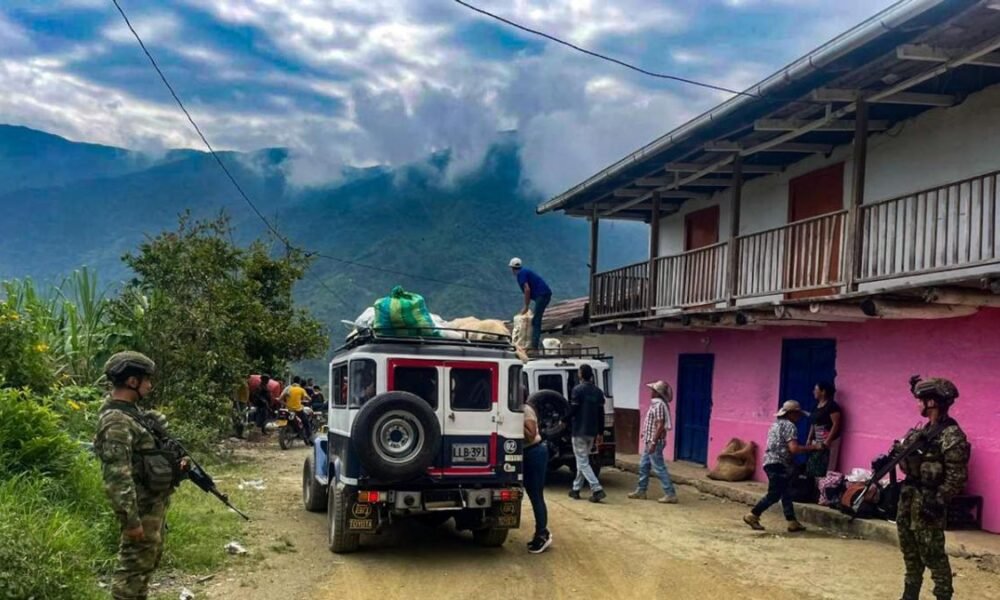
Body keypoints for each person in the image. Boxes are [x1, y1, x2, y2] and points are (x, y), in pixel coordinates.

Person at [94, 351, 187, 600]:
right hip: (140, 509)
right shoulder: (116, 421)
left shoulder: (133, 413)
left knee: (144, 567)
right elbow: (117, 476)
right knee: (130, 575)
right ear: (132, 381)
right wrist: (131, 520)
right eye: (146, 379)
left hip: (152, 507)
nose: (150, 384)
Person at [896, 377, 969, 600]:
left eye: (921, 400)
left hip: (929, 502)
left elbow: (957, 476)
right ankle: (910, 594)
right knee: (910, 551)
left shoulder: (951, 435)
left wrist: (938, 500)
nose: (917, 404)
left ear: (932, 403)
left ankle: (943, 596)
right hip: (909, 497)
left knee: (934, 556)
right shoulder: (924, 431)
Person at [743, 400, 822, 532]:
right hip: (778, 464)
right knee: (774, 494)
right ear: (791, 414)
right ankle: (753, 514)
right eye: (797, 414)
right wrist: (814, 447)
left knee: (786, 492)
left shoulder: (775, 425)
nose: (799, 417)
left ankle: (792, 521)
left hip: (770, 462)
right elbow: (794, 449)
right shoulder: (790, 426)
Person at [627, 380, 679, 504]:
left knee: (659, 467)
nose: (651, 392)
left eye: (653, 390)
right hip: (649, 440)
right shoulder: (657, 404)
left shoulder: (659, 405)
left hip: (653, 441)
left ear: (657, 393)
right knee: (644, 466)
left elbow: (660, 424)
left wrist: (654, 442)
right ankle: (641, 490)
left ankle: (670, 493)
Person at [566, 364, 606, 503]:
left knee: (583, 462)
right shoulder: (598, 392)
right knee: (582, 461)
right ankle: (575, 489)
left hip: (579, 431)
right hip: (592, 432)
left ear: (581, 374)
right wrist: (601, 433)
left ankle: (597, 489)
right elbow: (601, 414)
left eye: (579, 372)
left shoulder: (577, 390)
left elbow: (574, 409)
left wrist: (563, 420)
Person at [522, 394, 552, 554]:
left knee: (536, 494)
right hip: (528, 453)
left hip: (534, 452)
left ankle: (542, 533)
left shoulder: (525, 410)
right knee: (530, 491)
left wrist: (515, 419)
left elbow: (531, 435)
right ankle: (540, 532)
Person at [509, 257, 552, 350]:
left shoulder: (521, 274)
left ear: (512, 268)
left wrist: (526, 306)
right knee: (536, 320)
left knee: (536, 321)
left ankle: (534, 347)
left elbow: (527, 289)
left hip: (542, 295)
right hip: (544, 294)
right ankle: (535, 344)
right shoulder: (524, 272)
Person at [806, 381, 842, 478]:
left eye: (816, 390)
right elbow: (813, 423)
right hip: (817, 439)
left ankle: (825, 486)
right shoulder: (816, 406)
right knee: (815, 463)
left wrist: (828, 441)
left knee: (828, 464)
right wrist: (809, 438)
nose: (814, 392)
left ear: (823, 392)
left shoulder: (832, 406)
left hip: (830, 441)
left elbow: (836, 424)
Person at [279, 376, 312, 442]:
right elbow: (309, 398)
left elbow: (280, 399)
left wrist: (286, 404)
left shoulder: (287, 388)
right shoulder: (301, 389)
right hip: (298, 410)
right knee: (306, 422)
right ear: (299, 382)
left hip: (288, 409)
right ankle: (309, 438)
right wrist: (307, 400)